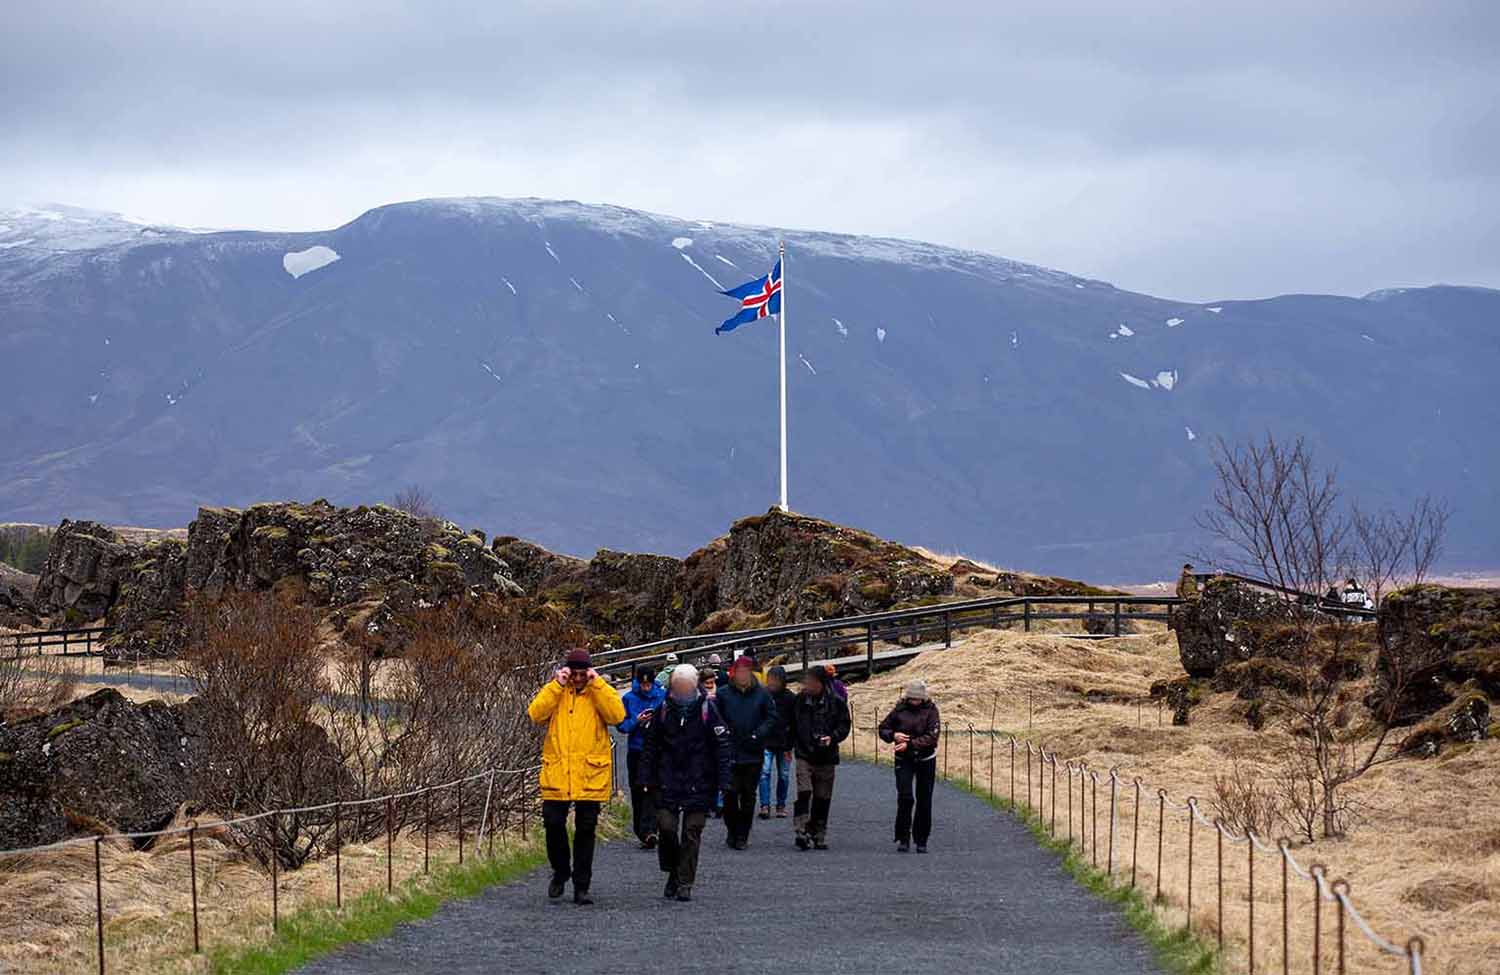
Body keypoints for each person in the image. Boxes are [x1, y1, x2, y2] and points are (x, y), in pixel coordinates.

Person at [526, 647, 625, 905]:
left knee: (586, 829)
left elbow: (617, 716)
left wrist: (598, 684)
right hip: (558, 771)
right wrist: (556, 685)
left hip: (590, 774)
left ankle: (582, 885)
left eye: (583, 673)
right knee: (553, 823)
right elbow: (535, 714)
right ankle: (560, 871)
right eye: (575, 673)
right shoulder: (557, 690)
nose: (579, 678)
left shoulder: (598, 691)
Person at [640, 664, 732, 902]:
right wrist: (646, 777)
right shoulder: (663, 710)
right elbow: (650, 746)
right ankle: (672, 870)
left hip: (699, 781)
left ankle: (685, 881)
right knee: (667, 828)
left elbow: (722, 747)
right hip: (668, 780)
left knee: (692, 832)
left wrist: (723, 781)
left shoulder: (708, 710)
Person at [714, 655, 778, 849]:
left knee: (749, 795)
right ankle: (732, 829)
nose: (742, 675)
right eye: (738, 672)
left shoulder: (762, 694)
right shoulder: (724, 694)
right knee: (730, 794)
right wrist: (722, 733)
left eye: (745, 672)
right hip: (730, 751)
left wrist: (759, 734)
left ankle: (743, 834)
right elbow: (716, 717)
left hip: (753, 751)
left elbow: (771, 717)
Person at [787, 665, 850, 850]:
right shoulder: (799, 700)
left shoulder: (836, 702)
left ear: (822, 683)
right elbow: (791, 723)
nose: (808, 685)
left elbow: (844, 725)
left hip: (827, 756)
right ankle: (801, 829)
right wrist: (787, 746)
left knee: (823, 797)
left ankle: (818, 831)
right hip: (804, 752)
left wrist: (833, 737)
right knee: (804, 791)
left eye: (812, 682)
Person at [878, 679, 941, 853]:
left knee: (924, 800)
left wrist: (911, 744)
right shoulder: (899, 709)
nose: (914, 701)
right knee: (905, 797)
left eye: (917, 698)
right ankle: (903, 837)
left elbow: (932, 736)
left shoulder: (931, 711)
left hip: (926, 758)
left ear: (923, 698)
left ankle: (921, 840)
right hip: (903, 759)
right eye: (912, 698)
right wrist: (893, 735)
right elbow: (883, 728)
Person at [617, 663, 666, 849]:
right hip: (637, 749)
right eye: (643, 684)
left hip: (657, 751)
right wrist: (636, 721)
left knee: (655, 790)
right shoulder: (629, 698)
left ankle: (651, 830)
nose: (646, 687)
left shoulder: (661, 696)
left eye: (649, 684)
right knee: (637, 790)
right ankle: (641, 829)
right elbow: (621, 725)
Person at [759, 665, 796, 819]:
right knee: (764, 773)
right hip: (766, 741)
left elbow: (795, 723)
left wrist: (791, 743)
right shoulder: (762, 695)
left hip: (784, 743)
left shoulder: (790, 698)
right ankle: (764, 805)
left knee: (784, 775)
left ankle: (781, 805)